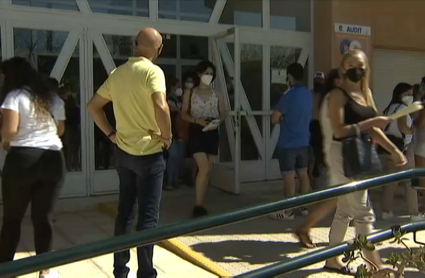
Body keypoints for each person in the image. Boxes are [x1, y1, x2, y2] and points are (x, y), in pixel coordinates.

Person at [87, 27, 171, 278]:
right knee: (147, 218)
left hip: (123, 152)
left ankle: (119, 270)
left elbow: (93, 106)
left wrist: (111, 134)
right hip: (149, 152)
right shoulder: (153, 71)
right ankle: (146, 273)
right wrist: (167, 137)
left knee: (124, 213)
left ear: (135, 44)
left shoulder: (117, 73)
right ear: (159, 49)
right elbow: (160, 105)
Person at [321, 50, 406, 274]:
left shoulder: (365, 93)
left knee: (345, 210)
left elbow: (375, 127)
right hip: (342, 152)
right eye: (350, 64)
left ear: (366, 68)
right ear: (343, 68)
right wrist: (370, 124)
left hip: (360, 152)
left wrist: (394, 150)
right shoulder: (337, 95)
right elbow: (339, 131)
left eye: (359, 64)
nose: (355, 69)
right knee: (363, 211)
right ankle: (375, 265)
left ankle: (332, 259)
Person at [0, 57, 66, 278]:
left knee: (12, 218)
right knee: (43, 218)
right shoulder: (50, 98)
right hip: (53, 160)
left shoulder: (14, 97)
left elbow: (9, 132)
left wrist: (5, 141)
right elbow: (60, 130)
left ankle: (6, 268)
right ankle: (45, 270)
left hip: (22, 160)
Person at [295, 68, 342, 247]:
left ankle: (335, 246)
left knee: (345, 204)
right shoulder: (331, 98)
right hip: (336, 149)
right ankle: (307, 227)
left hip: (339, 150)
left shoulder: (334, 97)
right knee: (341, 200)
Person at [181, 60, 226, 218]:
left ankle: (201, 201)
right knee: (204, 167)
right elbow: (183, 114)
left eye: (211, 74)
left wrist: (217, 121)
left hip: (212, 130)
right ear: (199, 73)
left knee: (207, 171)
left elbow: (223, 112)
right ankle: (198, 206)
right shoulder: (191, 92)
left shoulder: (217, 94)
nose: (209, 76)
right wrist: (196, 121)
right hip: (196, 130)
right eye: (206, 73)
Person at [270, 63, 312, 220]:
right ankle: (304, 205)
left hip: (288, 143)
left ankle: (287, 211)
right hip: (304, 141)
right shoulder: (308, 94)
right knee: (303, 173)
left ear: (289, 76)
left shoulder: (288, 95)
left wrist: (282, 118)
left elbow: (275, 118)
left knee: (288, 175)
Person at [380, 83, 423, 221]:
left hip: (390, 148)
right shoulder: (403, 108)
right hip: (403, 148)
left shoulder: (389, 108)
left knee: (390, 183)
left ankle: (385, 211)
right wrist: (412, 131)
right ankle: (414, 213)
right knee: (410, 182)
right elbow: (403, 127)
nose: (410, 97)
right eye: (408, 94)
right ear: (400, 95)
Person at [164, 77, 189, 190]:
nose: (180, 89)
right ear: (172, 87)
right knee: (173, 156)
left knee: (179, 157)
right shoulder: (167, 99)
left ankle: (175, 179)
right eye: (177, 86)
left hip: (181, 132)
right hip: (171, 132)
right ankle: (169, 180)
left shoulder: (180, 101)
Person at [308, 71, 326, 188]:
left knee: (321, 152)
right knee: (312, 152)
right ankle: (312, 178)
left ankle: (320, 179)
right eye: (316, 81)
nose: (318, 83)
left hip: (323, 125)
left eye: (320, 81)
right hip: (311, 125)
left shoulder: (326, 95)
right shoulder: (309, 93)